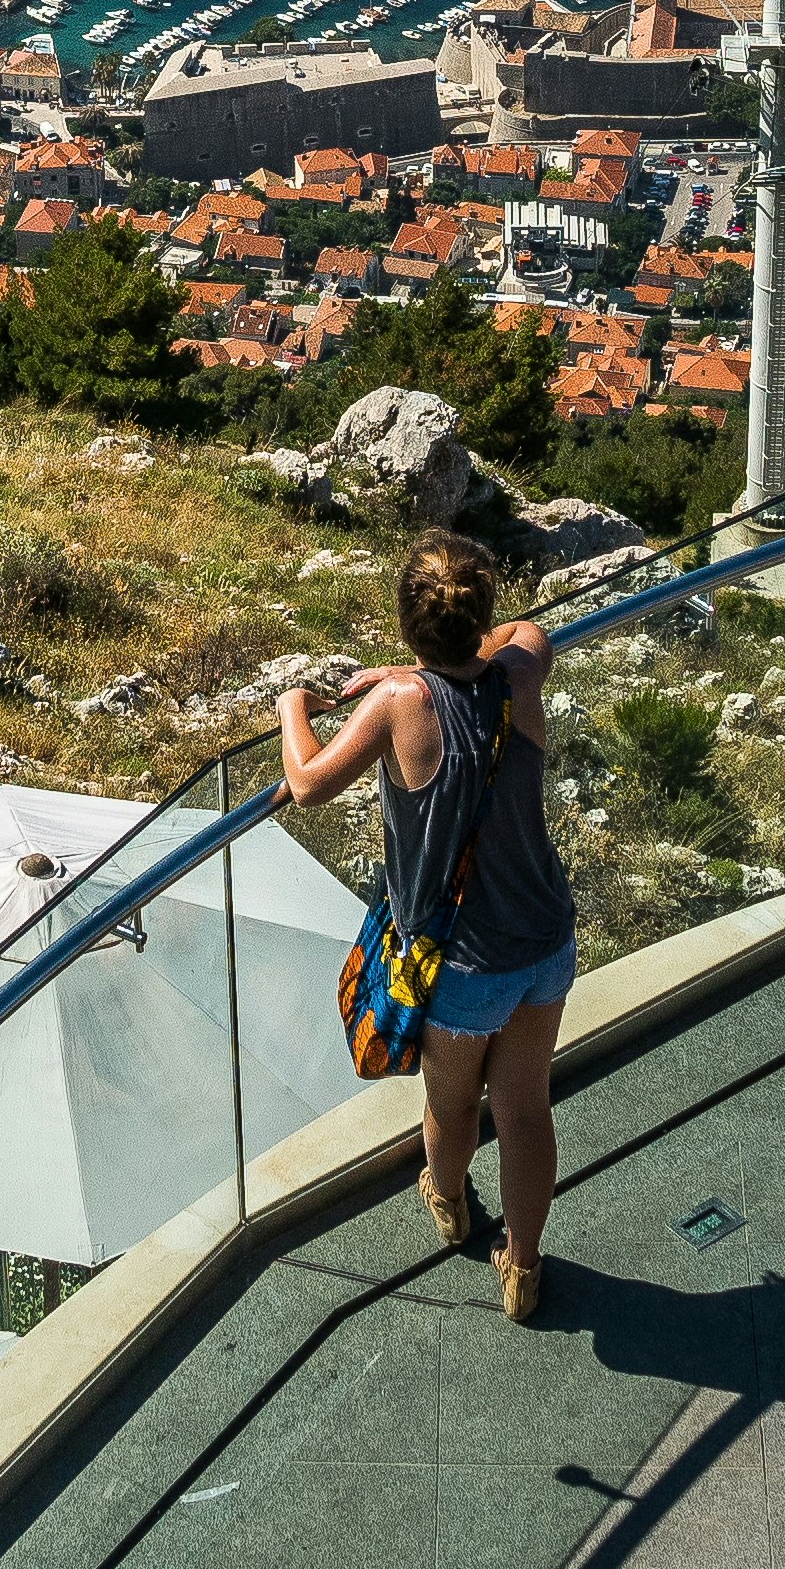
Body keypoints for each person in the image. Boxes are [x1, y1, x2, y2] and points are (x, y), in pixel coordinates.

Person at [278, 530, 578, 1321]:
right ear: (479, 620)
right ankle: (523, 1264)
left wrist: (291, 707)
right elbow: (528, 635)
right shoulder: (517, 674)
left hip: (465, 963)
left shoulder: (401, 703)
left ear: (409, 628)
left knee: (453, 1107)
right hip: (545, 937)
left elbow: (307, 783)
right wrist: (465, 646)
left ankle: (448, 1204)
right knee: (524, 1109)